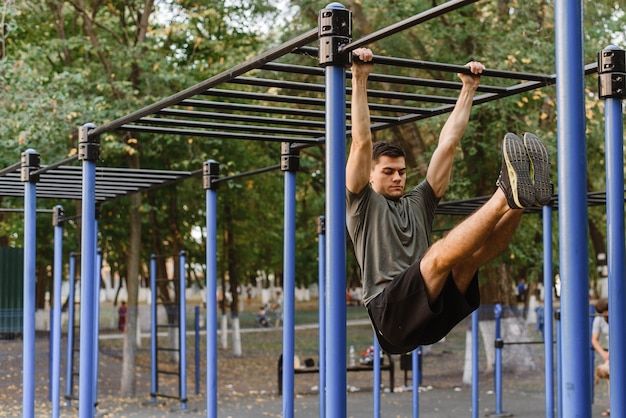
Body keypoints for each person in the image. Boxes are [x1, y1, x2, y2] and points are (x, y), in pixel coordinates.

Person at [346, 47, 552, 354]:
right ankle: (504, 194)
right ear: (371, 176)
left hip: (432, 309)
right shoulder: (361, 203)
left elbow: (448, 143)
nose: (398, 177)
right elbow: (362, 141)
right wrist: (360, 77)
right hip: (390, 315)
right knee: (439, 255)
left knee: (468, 259)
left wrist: (468, 88)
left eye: (402, 172)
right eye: (388, 172)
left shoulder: (418, 201)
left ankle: (519, 204)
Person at [592, 298, 610, 416]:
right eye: (602, 313)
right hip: (610, 353)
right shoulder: (599, 319)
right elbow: (594, 340)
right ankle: (613, 406)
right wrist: (603, 353)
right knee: (611, 381)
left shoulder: (618, 312)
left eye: (605, 312)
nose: (605, 315)